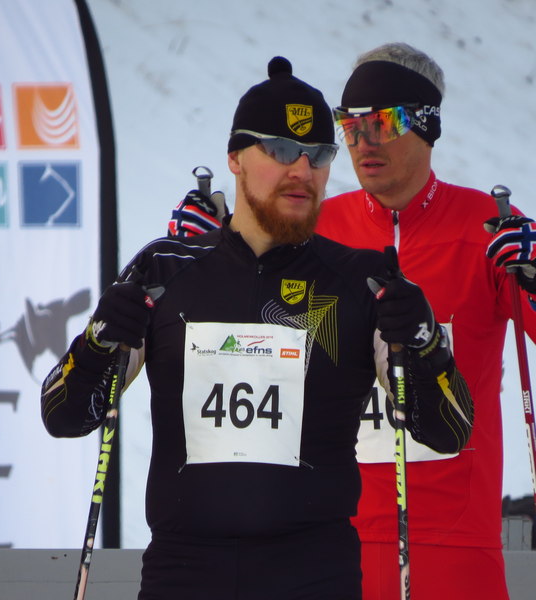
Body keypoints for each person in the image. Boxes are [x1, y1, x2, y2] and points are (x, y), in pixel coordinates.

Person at [41, 56, 473, 600]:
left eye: (319, 155)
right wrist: (96, 343)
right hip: (184, 574)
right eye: (281, 150)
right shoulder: (165, 271)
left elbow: (450, 431)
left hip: (313, 576)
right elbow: (63, 415)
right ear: (235, 159)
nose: (302, 171)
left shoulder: (362, 280)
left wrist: (427, 345)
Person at [315, 43, 536, 600]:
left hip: (456, 547)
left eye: (383, 123)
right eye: (350, 125)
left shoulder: (489, 229)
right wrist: (206, 246)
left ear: (427, 124)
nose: (364, 142)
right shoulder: (315, 229)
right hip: (327, 540)